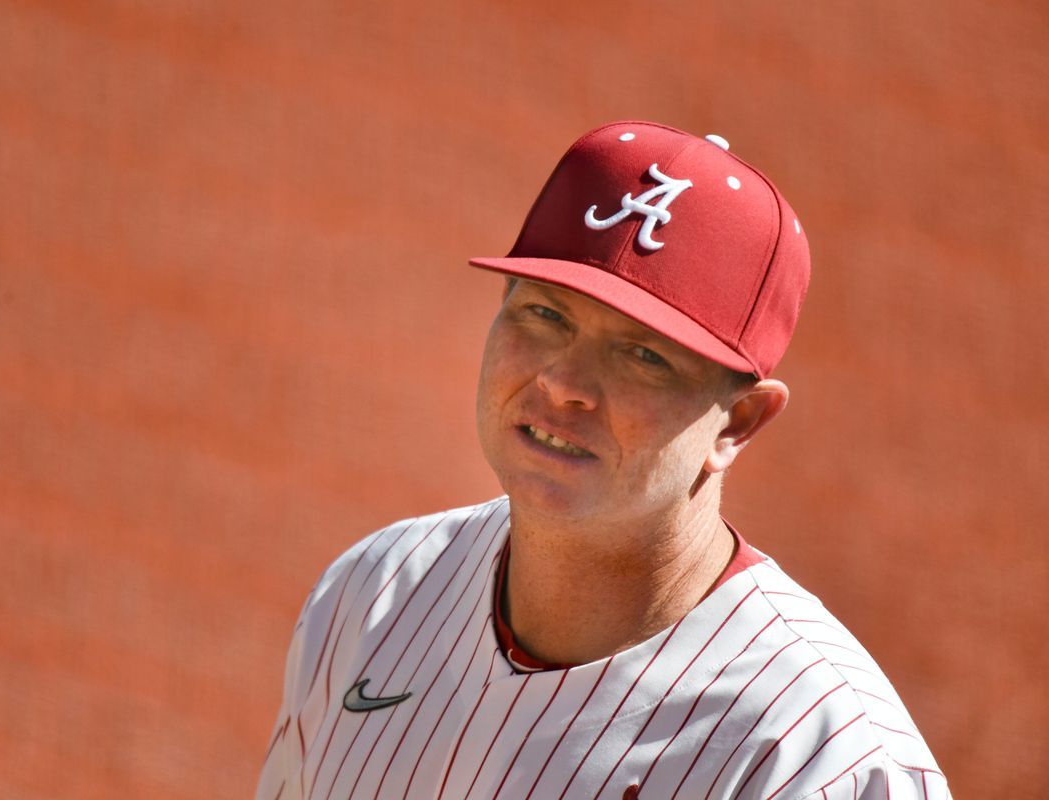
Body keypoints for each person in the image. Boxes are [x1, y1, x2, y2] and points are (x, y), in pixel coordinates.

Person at [256, 121, 949, 799]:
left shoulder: (822, 762)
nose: (564, 384)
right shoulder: (373, 597)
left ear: (737, 421)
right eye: (546, 315)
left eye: (643, 355)